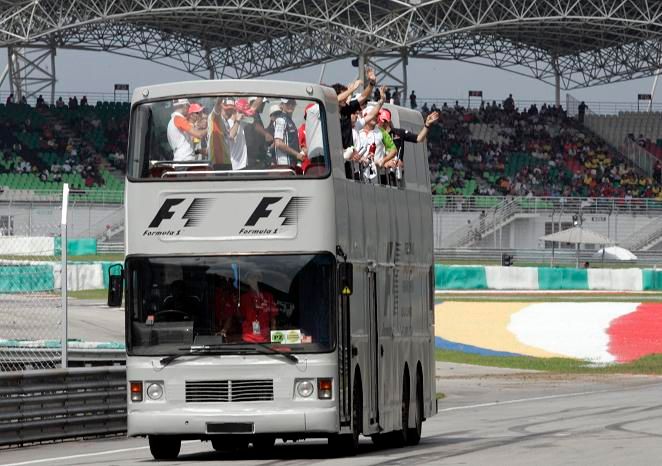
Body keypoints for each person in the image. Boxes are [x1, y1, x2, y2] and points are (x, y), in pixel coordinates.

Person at [238, 271, 278, 343]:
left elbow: (273, 318)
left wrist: (274, 336)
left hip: (265, 337)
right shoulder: (244, 298)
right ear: (247, 281)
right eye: (251, 278)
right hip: (248, 337)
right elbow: (240, 316)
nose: (254, 280)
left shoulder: (268, 296)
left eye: (256, 278)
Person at [268, 98, 304, 167]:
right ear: (282, 105)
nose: (290, 105)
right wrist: (297, 154)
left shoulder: (289, 120)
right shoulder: (281, 120)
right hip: (284, 165)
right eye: (287, 103)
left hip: (292, 164)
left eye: (292, 103)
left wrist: (301, 150)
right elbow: (278, 143)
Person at [219, 98, 248, 170]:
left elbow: (252, 117)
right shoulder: (227, 123)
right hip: (234, 166)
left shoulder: (241, 122)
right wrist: (237, 121)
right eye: (242, 112)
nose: (244, 114)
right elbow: (231, 135)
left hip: (243, 165)